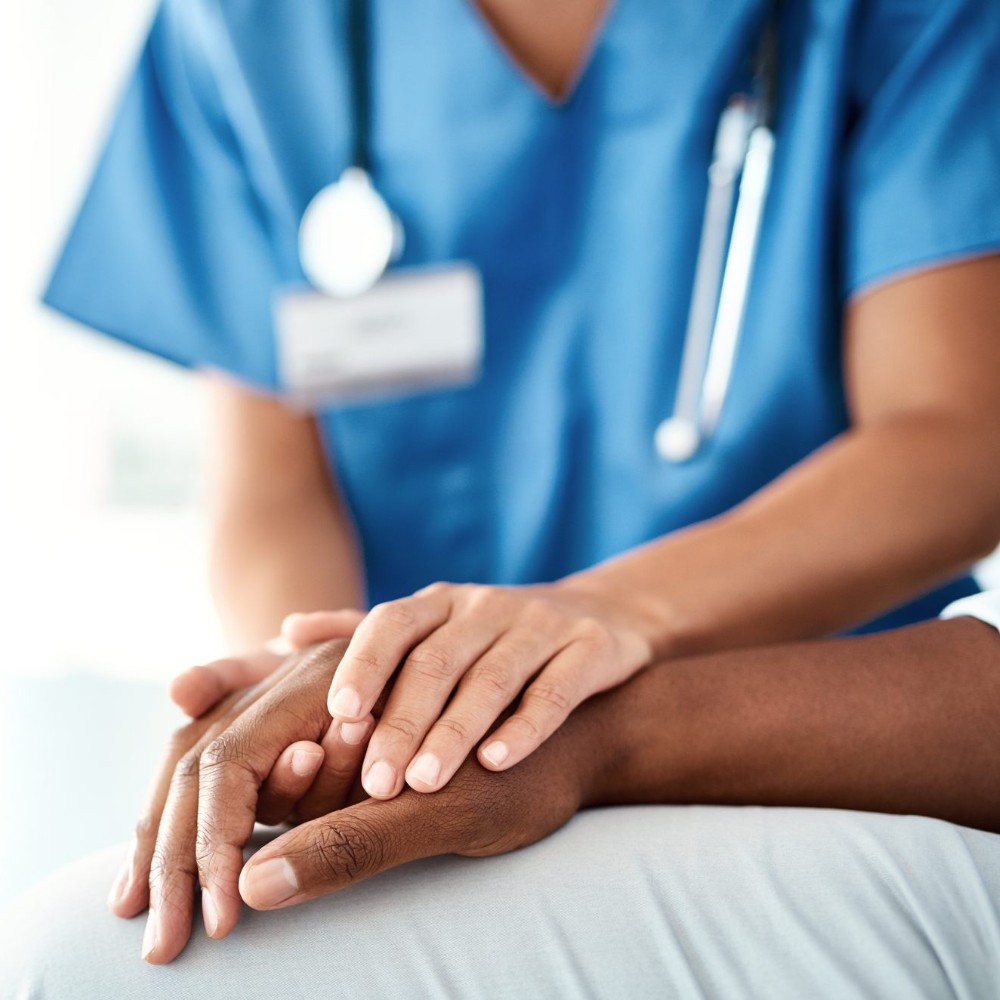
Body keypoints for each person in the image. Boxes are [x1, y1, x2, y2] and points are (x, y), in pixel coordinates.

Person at [40, 0, 1000, 812]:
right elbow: (276, 485)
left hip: (817, 746)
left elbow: (959, 440)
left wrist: (587, 621)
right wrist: (339, 696)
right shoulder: (248, 28)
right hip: (425, 767)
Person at [3, 591, 1000, 997]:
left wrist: (593, 715)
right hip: (493, 683)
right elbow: (268, 430)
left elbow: (948, 431)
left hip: (844, 735)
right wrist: (346, 687)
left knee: (84, 970)